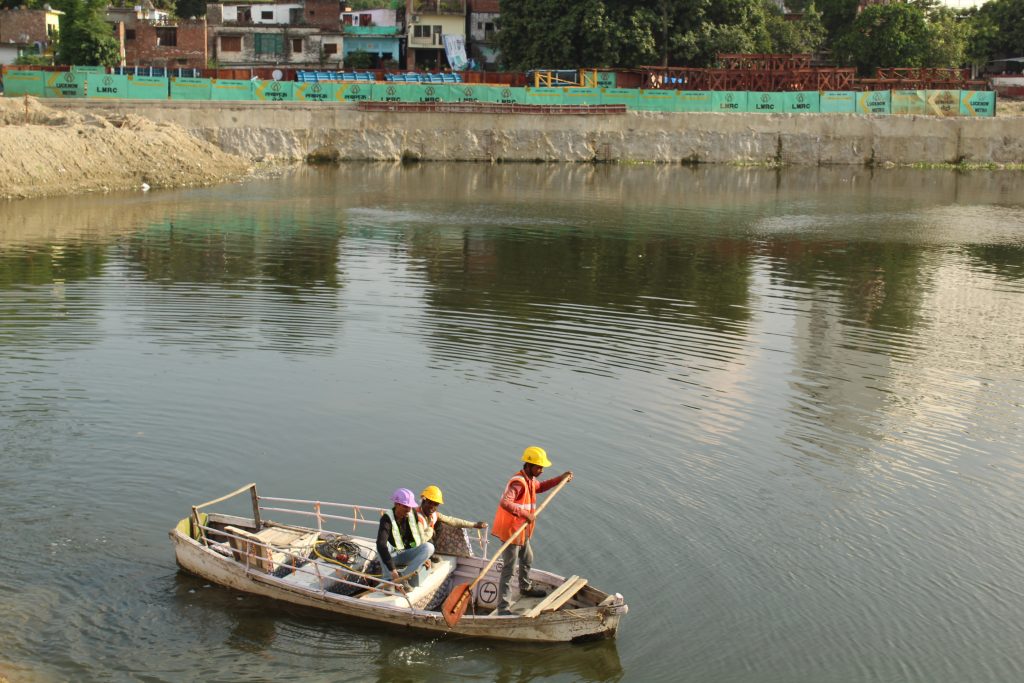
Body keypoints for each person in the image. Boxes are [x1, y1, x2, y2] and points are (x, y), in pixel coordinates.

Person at [492, 446, 572, 615]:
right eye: (538, 467)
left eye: (542, 467)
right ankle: (503, 607)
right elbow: (506, 502)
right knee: (509, 568)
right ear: (528, 465)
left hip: (522, 530)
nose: (541, 470)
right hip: (511, 531)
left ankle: (525, 587)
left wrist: (560, 479)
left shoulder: (529, 480)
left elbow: (541, 487)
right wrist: (524, 513)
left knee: (527, 558)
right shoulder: (518, 483)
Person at [375, 488, 434, 592]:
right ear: (397, 504)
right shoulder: (387, 519)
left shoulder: (412, 515)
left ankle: (403, 578)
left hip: (405, 552)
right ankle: (388, 579)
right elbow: (381, 544)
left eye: (410, 507)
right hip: (390, 557)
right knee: (382, 545)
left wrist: (425, 558)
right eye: (405, 506)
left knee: (429, 547)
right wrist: (393, 570)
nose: (408, 510)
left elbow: (417, 539)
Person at [417, 485, 486, 544]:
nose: (432, 507)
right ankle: (426, 556)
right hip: (413, 545)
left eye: (435, 504)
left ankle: (431, 554)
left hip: (424, 542)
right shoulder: (417, 517)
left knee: (439, 525)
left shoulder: (434, 515)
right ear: (423, 501)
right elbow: (418, 541)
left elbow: (452, 521)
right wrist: (430, 531)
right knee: (429, 540)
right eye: (430, 502)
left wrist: (475, 525)